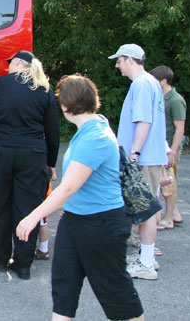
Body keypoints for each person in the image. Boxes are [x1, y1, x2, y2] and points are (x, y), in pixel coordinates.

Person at [17, 75, 144, 321]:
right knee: (64, 287)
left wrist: (32, 217)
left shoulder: (94, 137)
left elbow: (67, 188)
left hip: (102, 224)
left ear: (67, 104)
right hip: (75, 221)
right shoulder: (90, 127)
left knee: (115, 291)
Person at [0, 50, 60, 280]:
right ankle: (23, 265)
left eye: (10, 63)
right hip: (31, 154)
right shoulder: (43, 88)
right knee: (28, 209)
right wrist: (51, 163)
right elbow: (52, 131)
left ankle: (0, 258)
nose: (8, 66)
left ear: (17, 63)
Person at [109, 43, 166, 280]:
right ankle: (146, 255)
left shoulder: (142, 84)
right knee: (147, 206)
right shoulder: (150, 82)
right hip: (149, 155)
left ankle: (146, 263)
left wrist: (134, 152)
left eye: (119, 60)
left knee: (145, 209)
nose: (117, 65)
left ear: (129, 60)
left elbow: (144, 121)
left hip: (144, 157)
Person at [150, 65, 186, 228]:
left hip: (170, 148)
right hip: (161, 147)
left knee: (169, 183)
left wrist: (172, 152)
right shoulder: (160, 97)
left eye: (155, 80)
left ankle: (169, 219)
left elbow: (180, 128)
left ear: (164, 81)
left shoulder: (176, 100)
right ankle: (175, 214)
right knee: (164, 182)